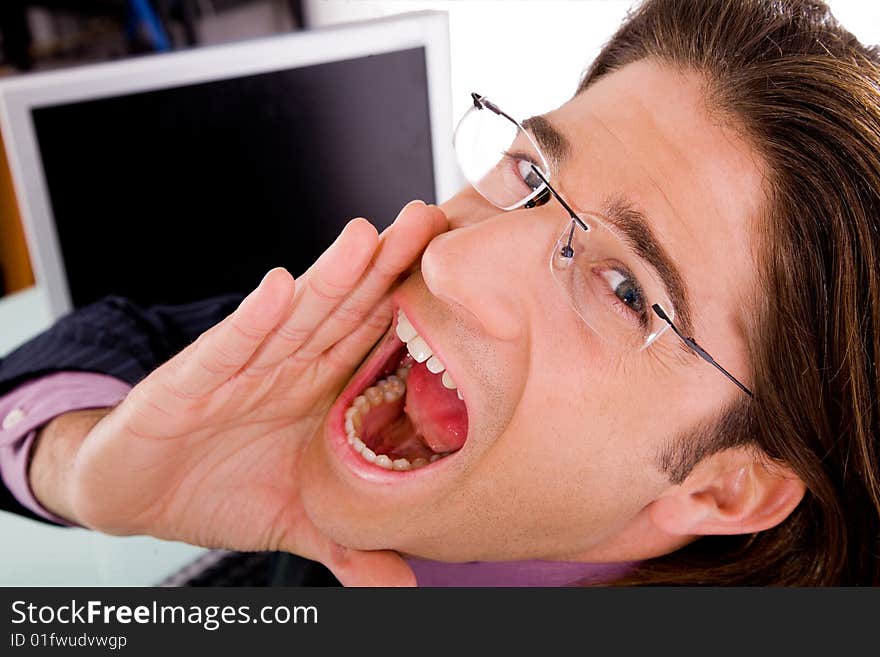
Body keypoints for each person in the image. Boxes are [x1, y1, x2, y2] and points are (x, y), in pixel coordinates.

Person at [2, 0, 879, 586]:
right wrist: (79, 468)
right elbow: (108, 340)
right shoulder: (349, 355)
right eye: (532, 175)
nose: (454, 264)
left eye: (624, 288)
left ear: (723, 489)